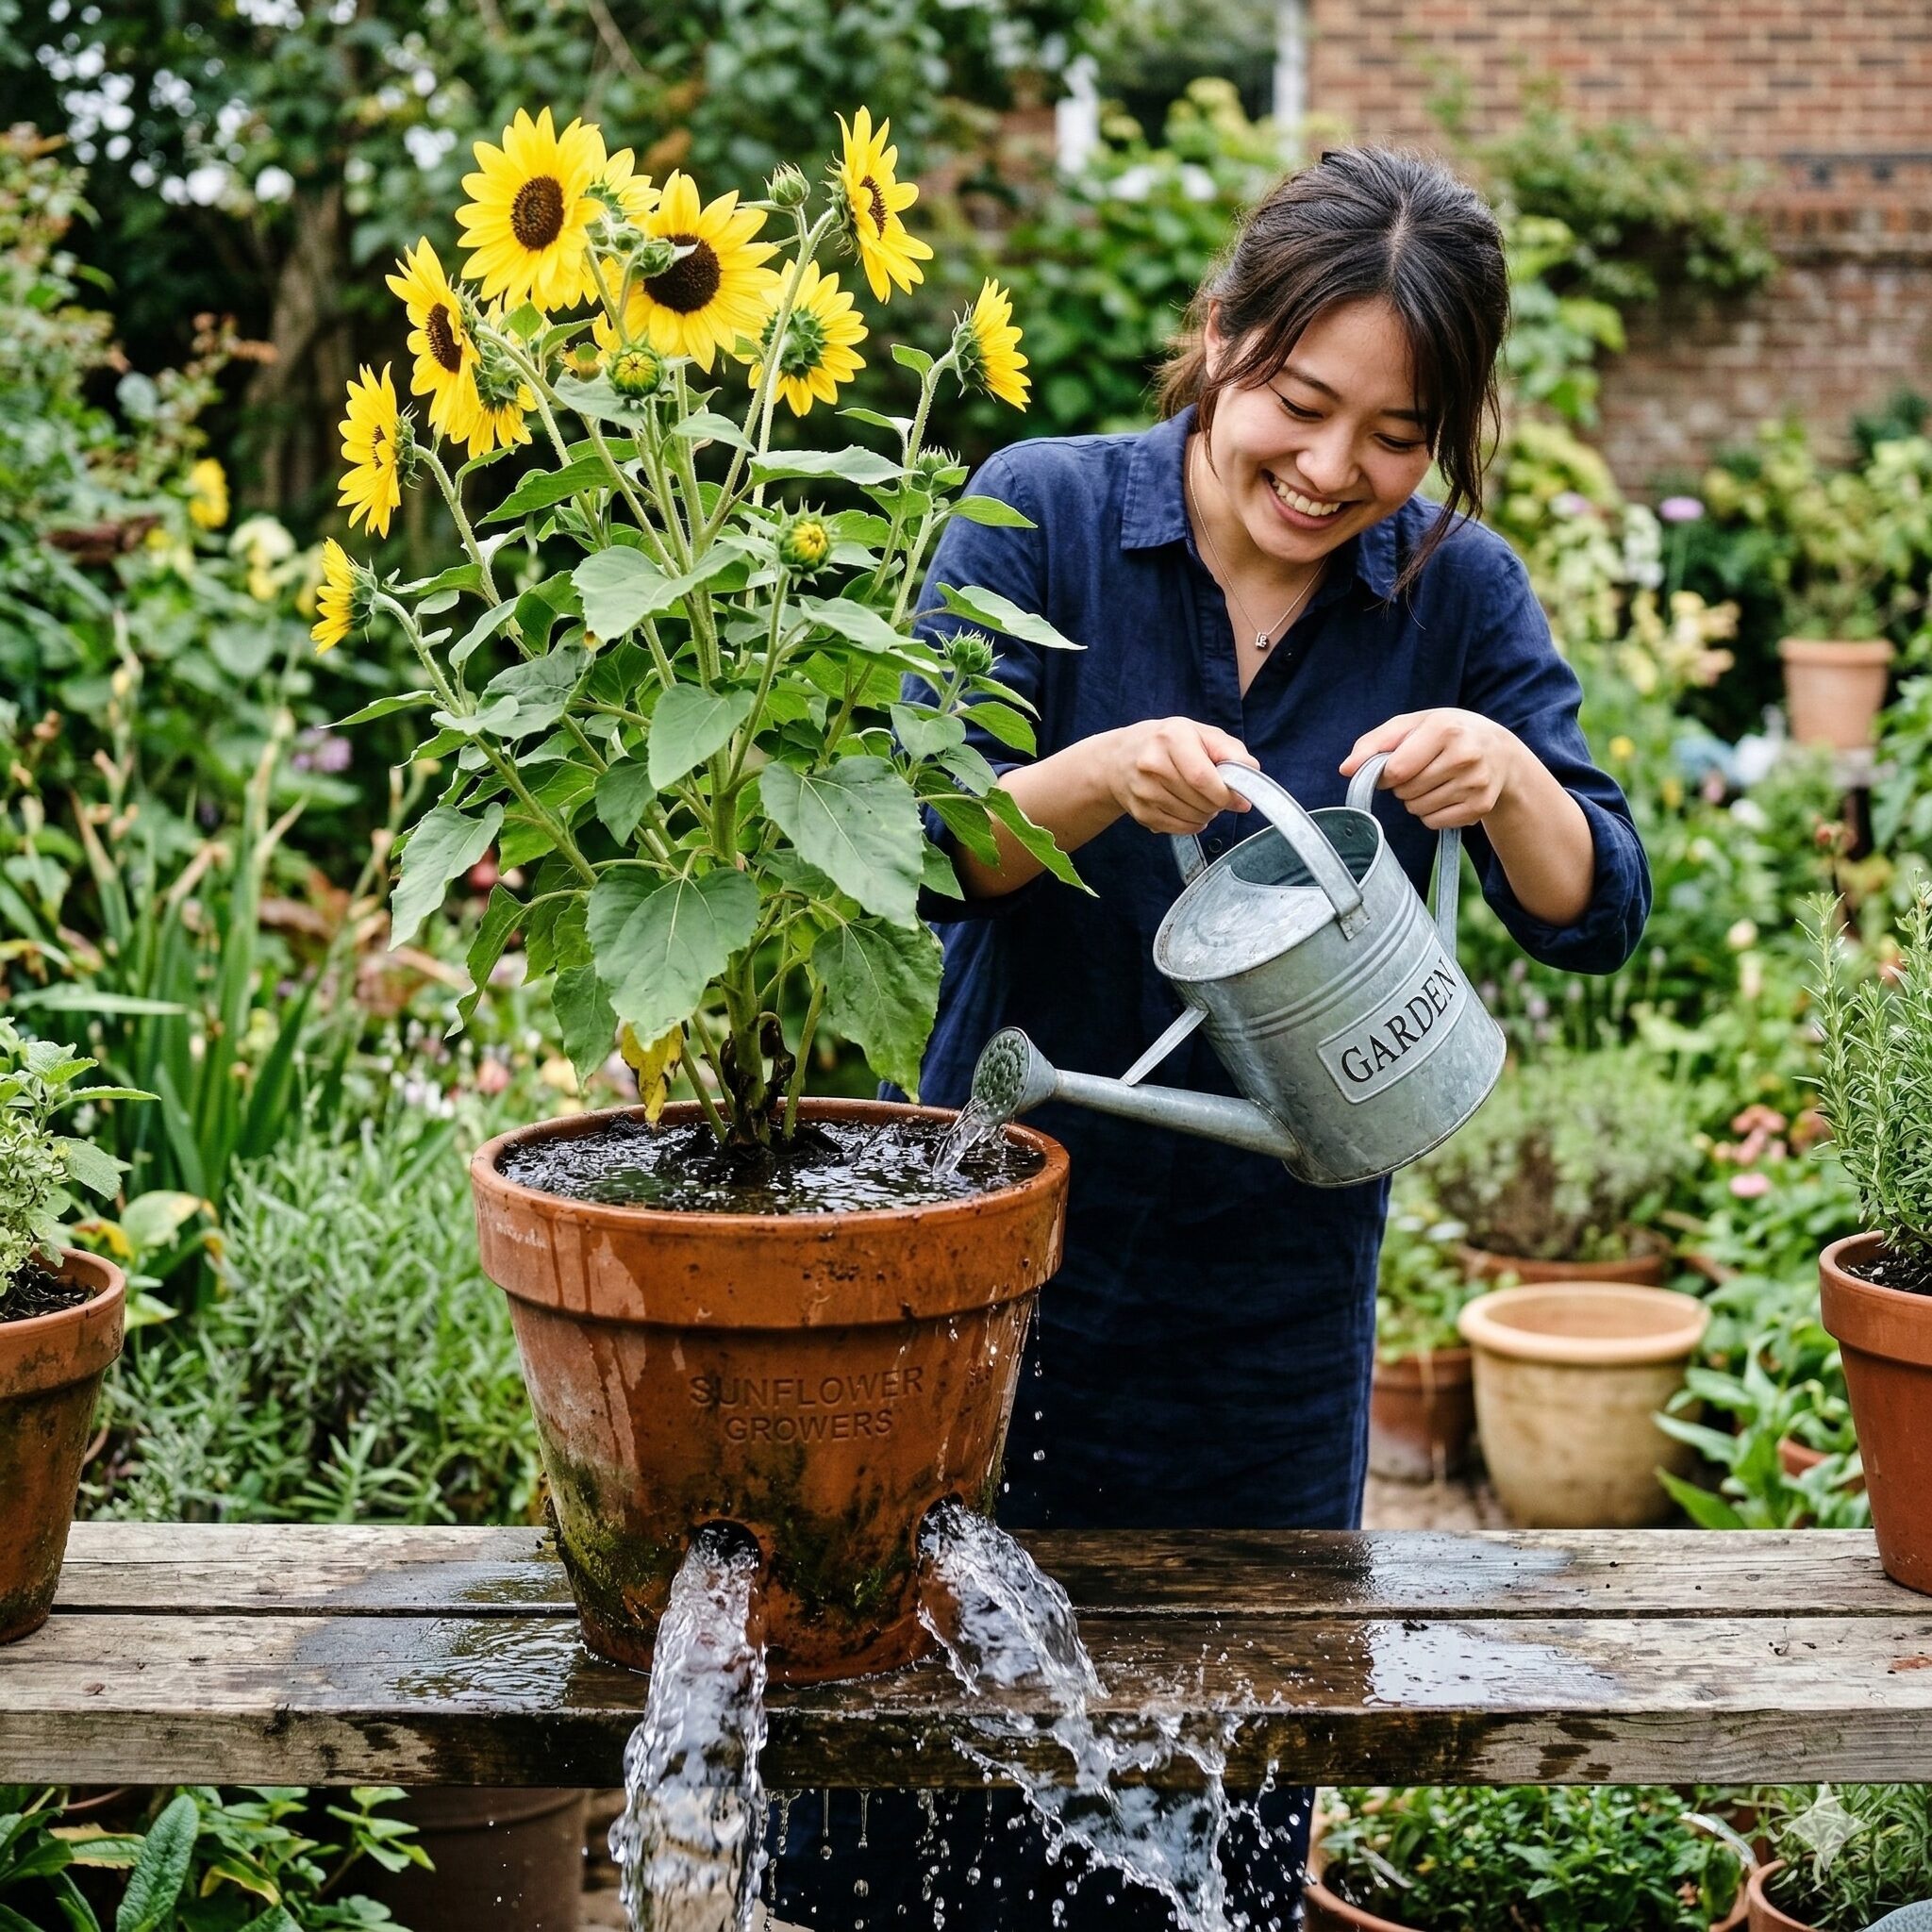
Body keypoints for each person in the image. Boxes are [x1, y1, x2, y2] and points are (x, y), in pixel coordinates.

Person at [768, 143, 1649, 1930]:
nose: (1333, 472)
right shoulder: (1045, 512)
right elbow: (903, 861)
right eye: (1301, 406)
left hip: (1274, 1311)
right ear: (1225, 336)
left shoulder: (1453, 597)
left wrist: (1509, 790)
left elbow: (1602, 901)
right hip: (991, 1285)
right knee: (915, 1802)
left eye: (1394, 438)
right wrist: (1090, 779)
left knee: (1217, 1831)